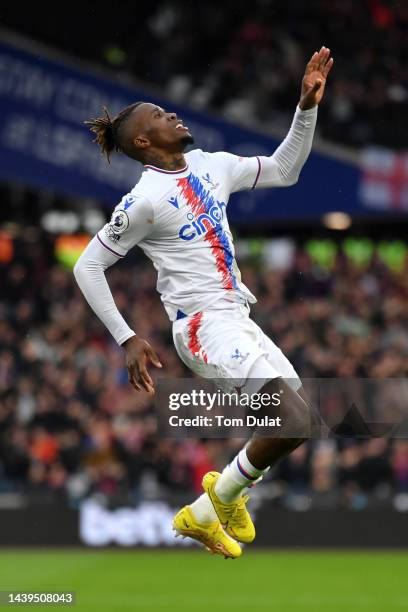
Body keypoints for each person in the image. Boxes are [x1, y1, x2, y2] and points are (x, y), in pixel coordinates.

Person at [74, 47, 333, 558]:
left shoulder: (210, 164)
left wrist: (306, 107)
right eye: (157, 115)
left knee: (300, 421)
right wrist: (126, 337)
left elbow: (285, 169)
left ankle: (217, 503)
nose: (171, 113)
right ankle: (214, 503)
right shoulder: (143, 201)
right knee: (292, 418)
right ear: (144, 142)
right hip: (201, 326)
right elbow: (87, 266)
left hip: (237, 316)